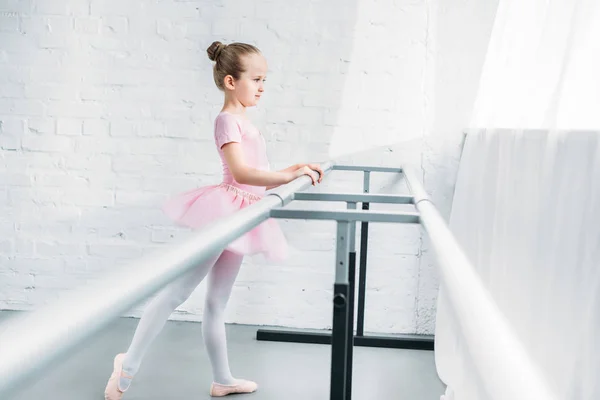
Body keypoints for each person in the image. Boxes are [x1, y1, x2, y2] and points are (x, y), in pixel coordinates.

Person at [104, 41, 323, 399]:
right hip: (224, 213)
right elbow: (240, 172)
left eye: (264, 79)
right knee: (177, 292)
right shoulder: (226, 120)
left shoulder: (244, 121)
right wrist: (285, 177)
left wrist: (294, 168)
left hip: (244, 214)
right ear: (231, 82)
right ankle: (126, 367)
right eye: (256, 79)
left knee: (217, 303)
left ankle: (222, 379)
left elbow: (257, 171)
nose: (262, 86)